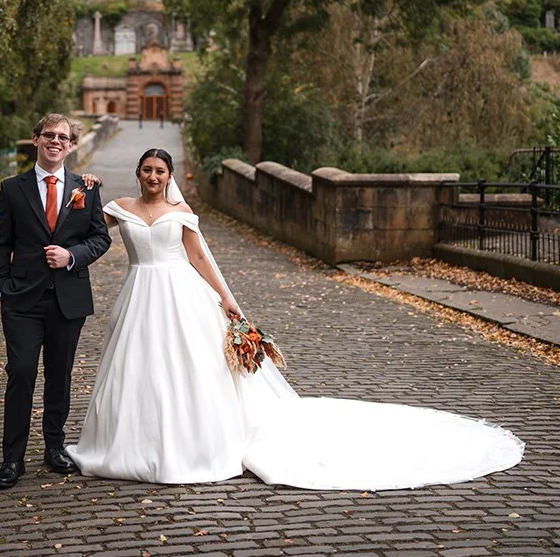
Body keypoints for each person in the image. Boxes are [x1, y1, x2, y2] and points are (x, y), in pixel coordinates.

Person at [66, 148, 524, 489]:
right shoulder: (120, 207)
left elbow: (198, 258)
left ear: (169, 177)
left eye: (159, 171)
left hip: (180, 294)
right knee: (137, 368)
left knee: (186, 368)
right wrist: (82, 190)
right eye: (146, 171)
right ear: (138, 174)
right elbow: (82, 228)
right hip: (138, 293)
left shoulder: (181, 211)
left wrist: (228, 301)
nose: (152, 177)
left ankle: (190, 445)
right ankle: (131, 444)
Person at [0, 114, 112, 490]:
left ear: (71, 145)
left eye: (63, 137)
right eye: (49, 135)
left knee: (59, 377)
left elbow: (100, 238)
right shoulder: (12, 188)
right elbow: (0, 242)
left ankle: (55, 448)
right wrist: (1, 286)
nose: (55, 141)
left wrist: (72, 256)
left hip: (68, 300)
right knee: (22, 372)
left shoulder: (85, 188)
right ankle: (12, 459)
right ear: (36, 139)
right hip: (22, 300)